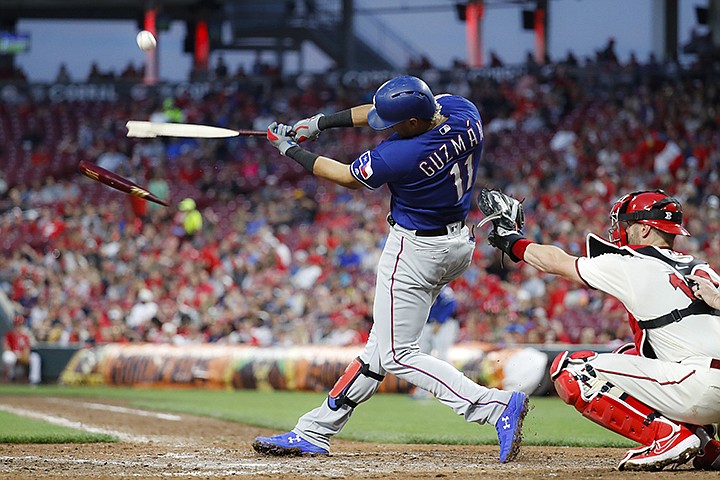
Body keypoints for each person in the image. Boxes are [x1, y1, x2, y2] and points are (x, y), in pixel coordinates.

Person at [253, 75, 528, 462]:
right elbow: (384, 112)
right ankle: (314, 430)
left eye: (397, 122)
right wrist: (319, 123)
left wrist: (289, 150)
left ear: (413, 122)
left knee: (398, 354)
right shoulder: (464, 111)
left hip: (415, 250)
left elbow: (346, 177)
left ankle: (492, 406)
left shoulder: (400, 154)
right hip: (456, 244)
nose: (389, 126)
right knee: (378, 350)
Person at [478, 187, 720, 471]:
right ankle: (707, 447)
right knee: (629, 352)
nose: (621, 231)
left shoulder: (634, 263)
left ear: (644, 230)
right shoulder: (702, 268)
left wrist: (512, 241)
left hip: (699, 387)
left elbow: (556, 262)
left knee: (573, 371)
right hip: (701, 383)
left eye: (627, 225)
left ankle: (667, 436)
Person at [412, 285, 460, 399]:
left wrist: (440, 320)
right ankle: (422, 392)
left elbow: (451, 303)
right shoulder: (422, 287)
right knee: (421, 357)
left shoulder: (442, 287)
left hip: (444, 325)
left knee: (442, 356)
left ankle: (451, 391)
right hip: (427, 324)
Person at [2, 315, 41, 384]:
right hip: (13, 353)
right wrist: (17, 356)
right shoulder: (9, 335)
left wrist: (23, 356)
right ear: (14, 325)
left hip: (22, 354)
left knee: (35, 357)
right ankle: (11, 376)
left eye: (20, 324)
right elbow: (6, 347)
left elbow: (27, 348)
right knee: (7, 356)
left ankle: (34, 380)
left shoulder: (25, 336)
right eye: (16, 324)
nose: (18, 326)